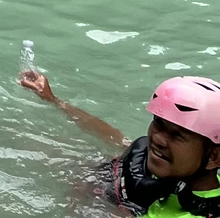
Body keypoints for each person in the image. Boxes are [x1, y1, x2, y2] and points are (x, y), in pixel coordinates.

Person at [20, 69, 220, 214]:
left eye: (177, 135)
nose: (158, 138)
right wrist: (53, 100)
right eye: (158, 124)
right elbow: (112, 137)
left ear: (213, 156)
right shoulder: (164, 162)